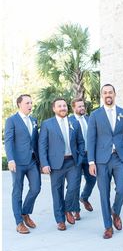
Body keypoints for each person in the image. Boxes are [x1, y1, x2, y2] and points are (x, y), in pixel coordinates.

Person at [87, 84, 123, 239]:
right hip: (101, 160)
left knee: (122, 188)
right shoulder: (95, 115)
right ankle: (108, 226)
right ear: (102, 95)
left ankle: (116, 211)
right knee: (104, 193)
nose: (108, 95)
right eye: (105, 92)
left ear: (115, 94)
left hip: (120, 158)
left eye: (110, 92)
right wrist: (91, 162)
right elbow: (91, 139)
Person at [39, 98, 85, 230]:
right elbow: (42, 146)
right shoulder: (47, 124)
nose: (63, 108)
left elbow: (81, 142)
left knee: (74, 187)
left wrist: (80, 157)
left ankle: (67, 209)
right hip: (55, 164)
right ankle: (60, 220)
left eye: (64, 105)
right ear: (54, 109)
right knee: (57, 191)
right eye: (59, 106)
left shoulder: (74, 122)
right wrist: (44, 164)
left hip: (73, 162)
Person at [4, 94, 41, 234]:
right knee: (17, 191)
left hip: (32, 161)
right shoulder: (11, 120)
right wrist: (11, 159)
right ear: (19, 104)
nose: (30, 105)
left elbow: (36, 142)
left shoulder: (34, 120)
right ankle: (19, 222)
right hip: (17, 163)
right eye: (27, 103)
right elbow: (8, 141)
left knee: (36, 188)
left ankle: (25, 212)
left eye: (31, 102)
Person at [70, 98, 96, 216]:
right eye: (79, 106)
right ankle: (76, 210)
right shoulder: (69, 121)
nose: (82, 108)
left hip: (89, 155)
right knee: (75, 183)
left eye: (82, 106)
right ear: (73, 108)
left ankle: (84, 197)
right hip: (76, 157)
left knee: (92, 179)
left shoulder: (89, 119)